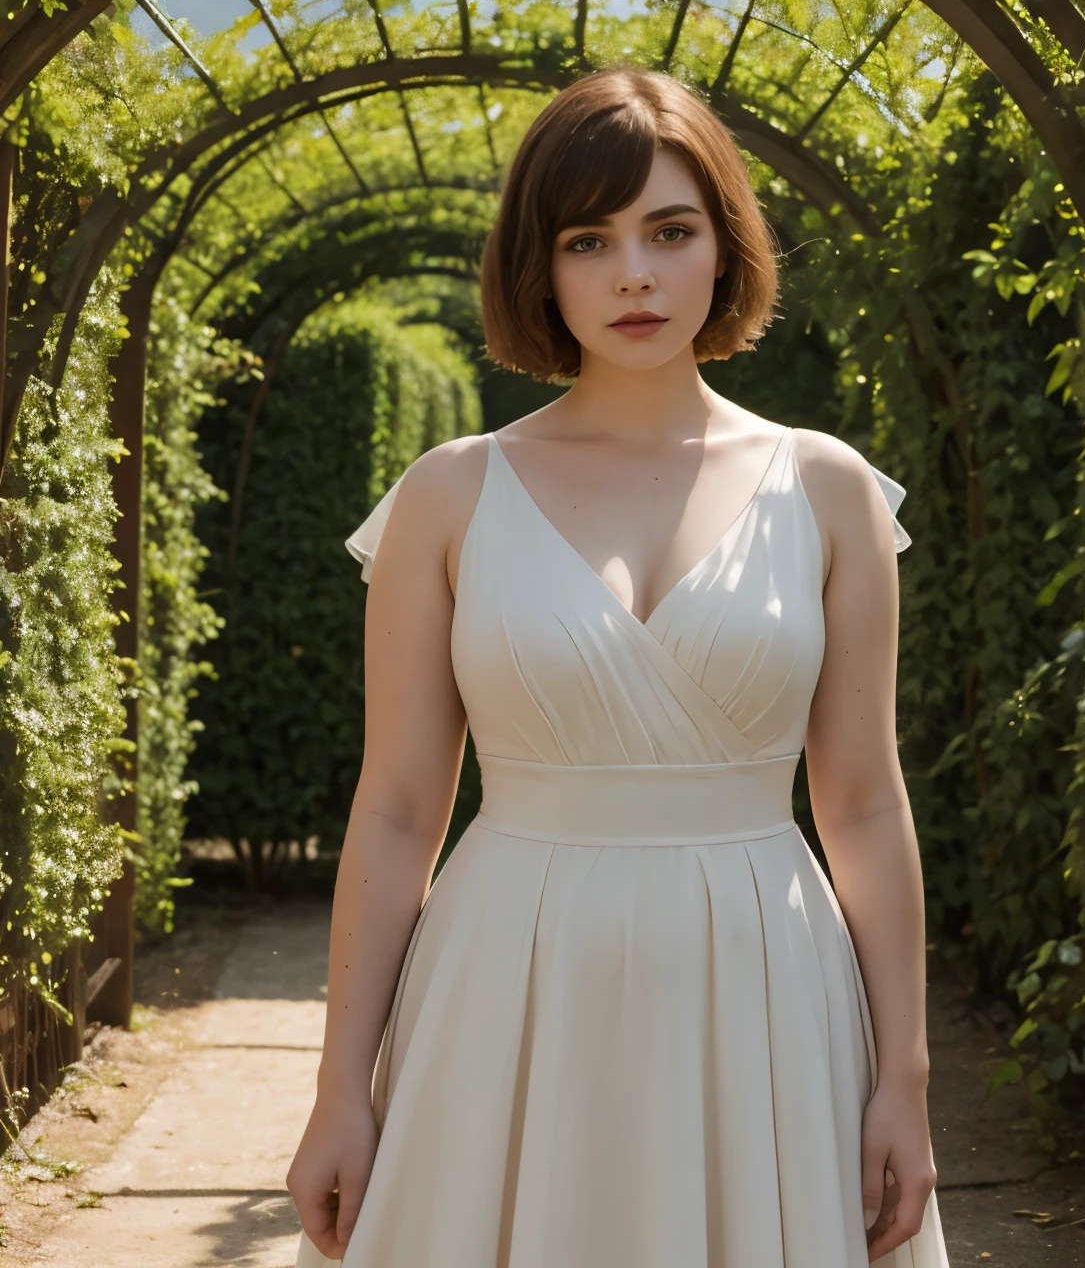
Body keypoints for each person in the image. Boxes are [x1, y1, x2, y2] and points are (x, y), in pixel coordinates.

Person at [286, 67, 948, 1268]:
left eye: (670, 230)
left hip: (764, 985)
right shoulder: (449, 493)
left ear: (724, 246)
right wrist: (340, 1087)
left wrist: (903, 1080)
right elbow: (393, 812)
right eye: (590, 239)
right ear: (541, 266)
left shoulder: (828, 488)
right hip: (506, 984)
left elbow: (861, 802)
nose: (634, 274)